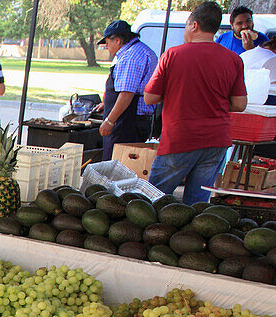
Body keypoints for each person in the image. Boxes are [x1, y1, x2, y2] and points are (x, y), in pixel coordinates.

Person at [144, 2, 248, 205]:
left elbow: (150, 97)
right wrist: (211, 102)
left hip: (180, 139)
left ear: (194, 25)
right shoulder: (233, 59)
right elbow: (240, 104)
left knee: (152, 201)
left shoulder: (173, 55)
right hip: (216, 141)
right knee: (197, 205)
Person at [97, 19, 158, 161]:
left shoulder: (131, 56)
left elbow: (126, 94)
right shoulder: (142, 50)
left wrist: (110, 121)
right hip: (134, 119)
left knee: (116, 166)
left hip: (128, 122)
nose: (106, 47)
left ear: (117, 40)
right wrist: (106, 103)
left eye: (107, 42)